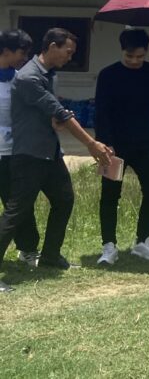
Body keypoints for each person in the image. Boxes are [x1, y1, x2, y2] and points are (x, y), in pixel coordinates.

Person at [0, 29, 114, 290]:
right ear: (52, 46)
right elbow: (58, 112)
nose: (70, 57)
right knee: (16, 212)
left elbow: (52, 114)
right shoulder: (29, 76)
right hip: (29, 155)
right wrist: (91, 143)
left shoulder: (49, 75)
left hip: (49, 152)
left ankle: (50, 256)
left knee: (64, 199)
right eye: (68, 51)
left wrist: (56, 120)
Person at [93, 28, 149, 265]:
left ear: (146, 52)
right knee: (110, 195)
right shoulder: (108, 74)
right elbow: (101, 112)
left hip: (144, 142)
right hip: (114, 146)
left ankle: (143, 241)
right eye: (130, 56)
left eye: (140, 57)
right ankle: (109, 246)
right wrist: (104, 144)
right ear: (122, 51)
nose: (134, 61)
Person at [0, 30, 39, 269]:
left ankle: (27, 249)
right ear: (5, 51)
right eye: (21, 52)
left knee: (18, 204)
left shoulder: (19, 79)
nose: (24, 58)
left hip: (12, 152)